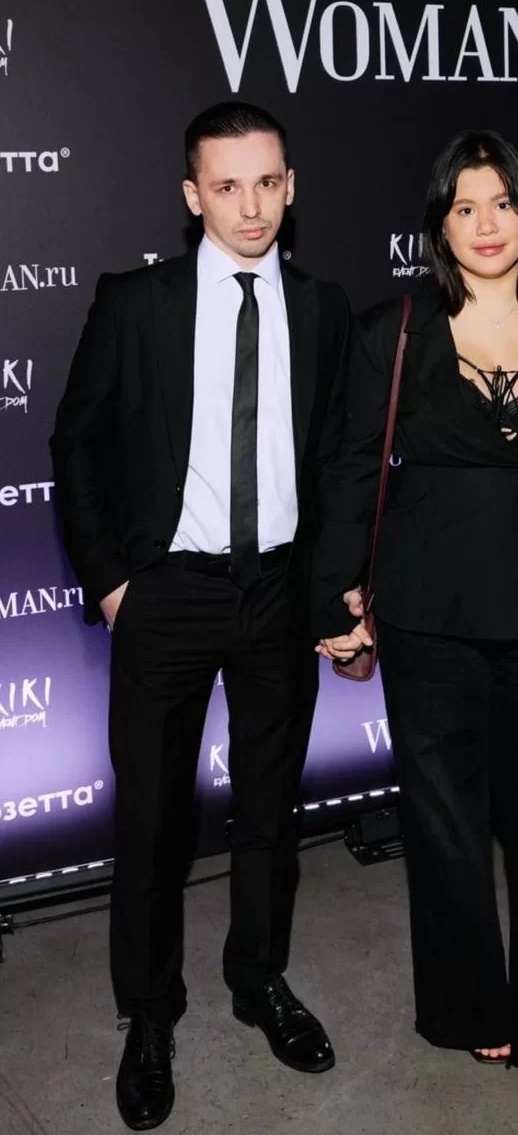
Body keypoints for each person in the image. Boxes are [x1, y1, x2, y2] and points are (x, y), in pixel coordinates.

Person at [51, 102, 349, 1130]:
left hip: (279, 592)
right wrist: (113, 581)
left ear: (291, 186)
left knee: (269, 811)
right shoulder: (136, 303)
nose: (250, 206)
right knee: (150, 821)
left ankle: (257, 978)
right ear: (192, 196)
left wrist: (335, 590)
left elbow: (336, 464)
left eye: (267, 182)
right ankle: (149, 1014)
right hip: (166, 594)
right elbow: (77, 441)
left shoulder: (322, 308)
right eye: (227, 186)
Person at [313, 129, 518, 1075]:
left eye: (502, 203)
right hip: (431, 613)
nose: (486, 224)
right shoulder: (396, 330)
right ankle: (468, 1007)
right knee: (446, 829)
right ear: (439, 226)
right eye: (464, 207)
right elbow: (351, 469)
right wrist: (335, 600)